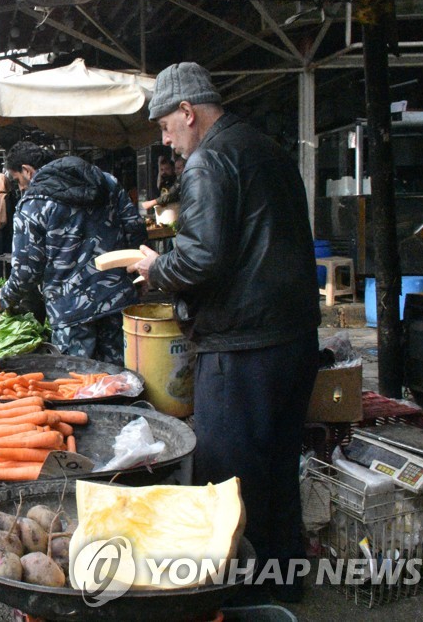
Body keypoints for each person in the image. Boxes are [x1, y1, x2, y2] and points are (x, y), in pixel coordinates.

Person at [128, 62, 320, 602]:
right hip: (292, 338)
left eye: (167, 126)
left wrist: (156, 268)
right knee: (279, 469)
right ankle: (285, 584)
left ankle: (237, 597)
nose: (167, 141)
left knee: (228, 476)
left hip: (242, 345)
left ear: (188, 112)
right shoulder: (268, 148)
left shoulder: (210, 159)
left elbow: (204, 256)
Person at [0, 141, 147, 363]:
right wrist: (138, 277)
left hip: (70, 312)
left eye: (18, 180)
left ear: (27, 171)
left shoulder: (34, 203)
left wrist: (6, 296)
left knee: (77, 387)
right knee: (119, 381)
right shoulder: (107, 181)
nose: (20, 188)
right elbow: (135, 229)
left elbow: (26, 270)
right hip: (117, 299)